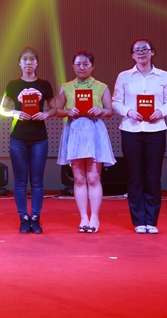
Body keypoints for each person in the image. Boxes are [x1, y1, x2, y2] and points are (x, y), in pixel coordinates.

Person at [112, 38, 167, 234]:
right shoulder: (124, 76)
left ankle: (152, 221)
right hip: (131, 130)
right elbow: (116, 102)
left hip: (156, 130)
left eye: (145, 49)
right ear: (132, 55)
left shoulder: (163, 76)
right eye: (137, 50)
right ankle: (139, 220)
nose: (141, 53)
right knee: (135, 176)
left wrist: (161, 111)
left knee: (153, 176)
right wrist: (129, 111)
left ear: (152, 52)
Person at [56, 50, 115, 233]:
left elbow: (110, 111)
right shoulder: (66, 87)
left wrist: (101, 111)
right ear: (73, 67)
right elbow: (57, 110)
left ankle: (94, 217)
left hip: (94, 131)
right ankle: (83, 218)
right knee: (79, 179)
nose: (81, 67)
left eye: (86, 64)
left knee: (93, 177)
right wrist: (68, 112)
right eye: (78, 64)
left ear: (93, 66)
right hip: (74, 131)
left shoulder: (101, 87)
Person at [0, 46, 55, 234]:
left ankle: (36, 218)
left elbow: (54, 108)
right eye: (25, 59)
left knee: (37, 182)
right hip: (18, 139)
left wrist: (45, 114)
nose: (28, 63)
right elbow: (2, 109)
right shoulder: (13, 85)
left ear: (37, 63)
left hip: (39, 138)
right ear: (20, 63)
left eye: (32, 59)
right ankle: (23, 218)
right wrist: (15, 113)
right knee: (20, 182)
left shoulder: (45, 84)